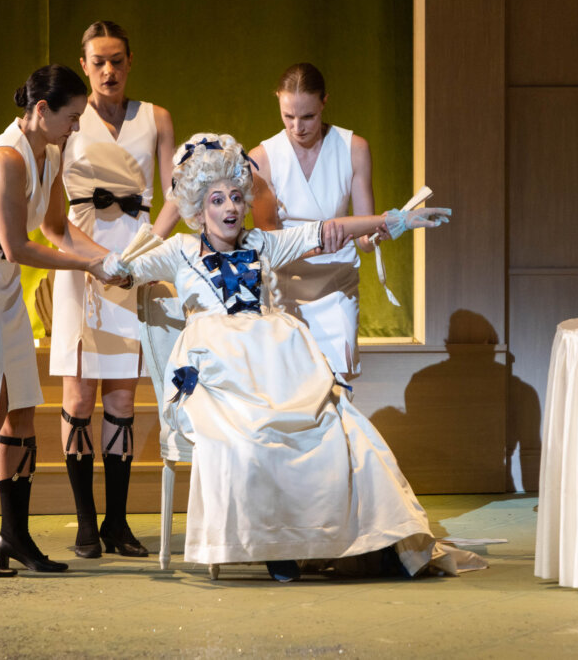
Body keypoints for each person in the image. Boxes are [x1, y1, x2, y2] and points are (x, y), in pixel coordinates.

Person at [112, 133, 478, 581]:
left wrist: (392, 219)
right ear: (198, 210)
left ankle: (336, 540)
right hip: (218, 371)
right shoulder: (180, 251)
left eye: (235, 197)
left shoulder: (263, 244)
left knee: (341, 429)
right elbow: (126, 272)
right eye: (216, 200)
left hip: (277, 364)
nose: (229, 207)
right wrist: (109, 266)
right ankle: (273, 547)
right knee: (244, 440)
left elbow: (326, 231)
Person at [0, 64, 127, 577]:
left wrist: (109, 259)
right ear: (41, 110)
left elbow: (58, 228)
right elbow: (17, 246)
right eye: (71, 117)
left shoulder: (50, 153)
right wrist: (89, 266)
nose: (76, 126)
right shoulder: (6, 158)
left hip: (2, 286)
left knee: (21, 409)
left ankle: (14, 535)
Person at [49, 21, 179, 559]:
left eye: (117, 60)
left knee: (123, 396)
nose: (109, 71)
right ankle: (85, 521)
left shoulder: (156, 118)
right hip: (82, 260)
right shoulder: (70, 119)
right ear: (84, 65)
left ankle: (117, 521)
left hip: (136, 260)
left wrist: (146, 251)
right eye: (99, 62)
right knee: (79, 395)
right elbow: (50, 213)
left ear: (130, 61)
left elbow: (177, 194)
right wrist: (96, 260)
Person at [249, 62, 377, 382]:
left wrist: (379, 231)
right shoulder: (262, 158)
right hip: (286, 283)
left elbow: (365, 238)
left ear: (324, 102)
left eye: (307, 116)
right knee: (291, 385)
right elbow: (268, 241)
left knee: (338, 383)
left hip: (336, 283)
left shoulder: (354, 149)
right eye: (288, 116)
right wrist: (316, 245)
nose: (297, 127)